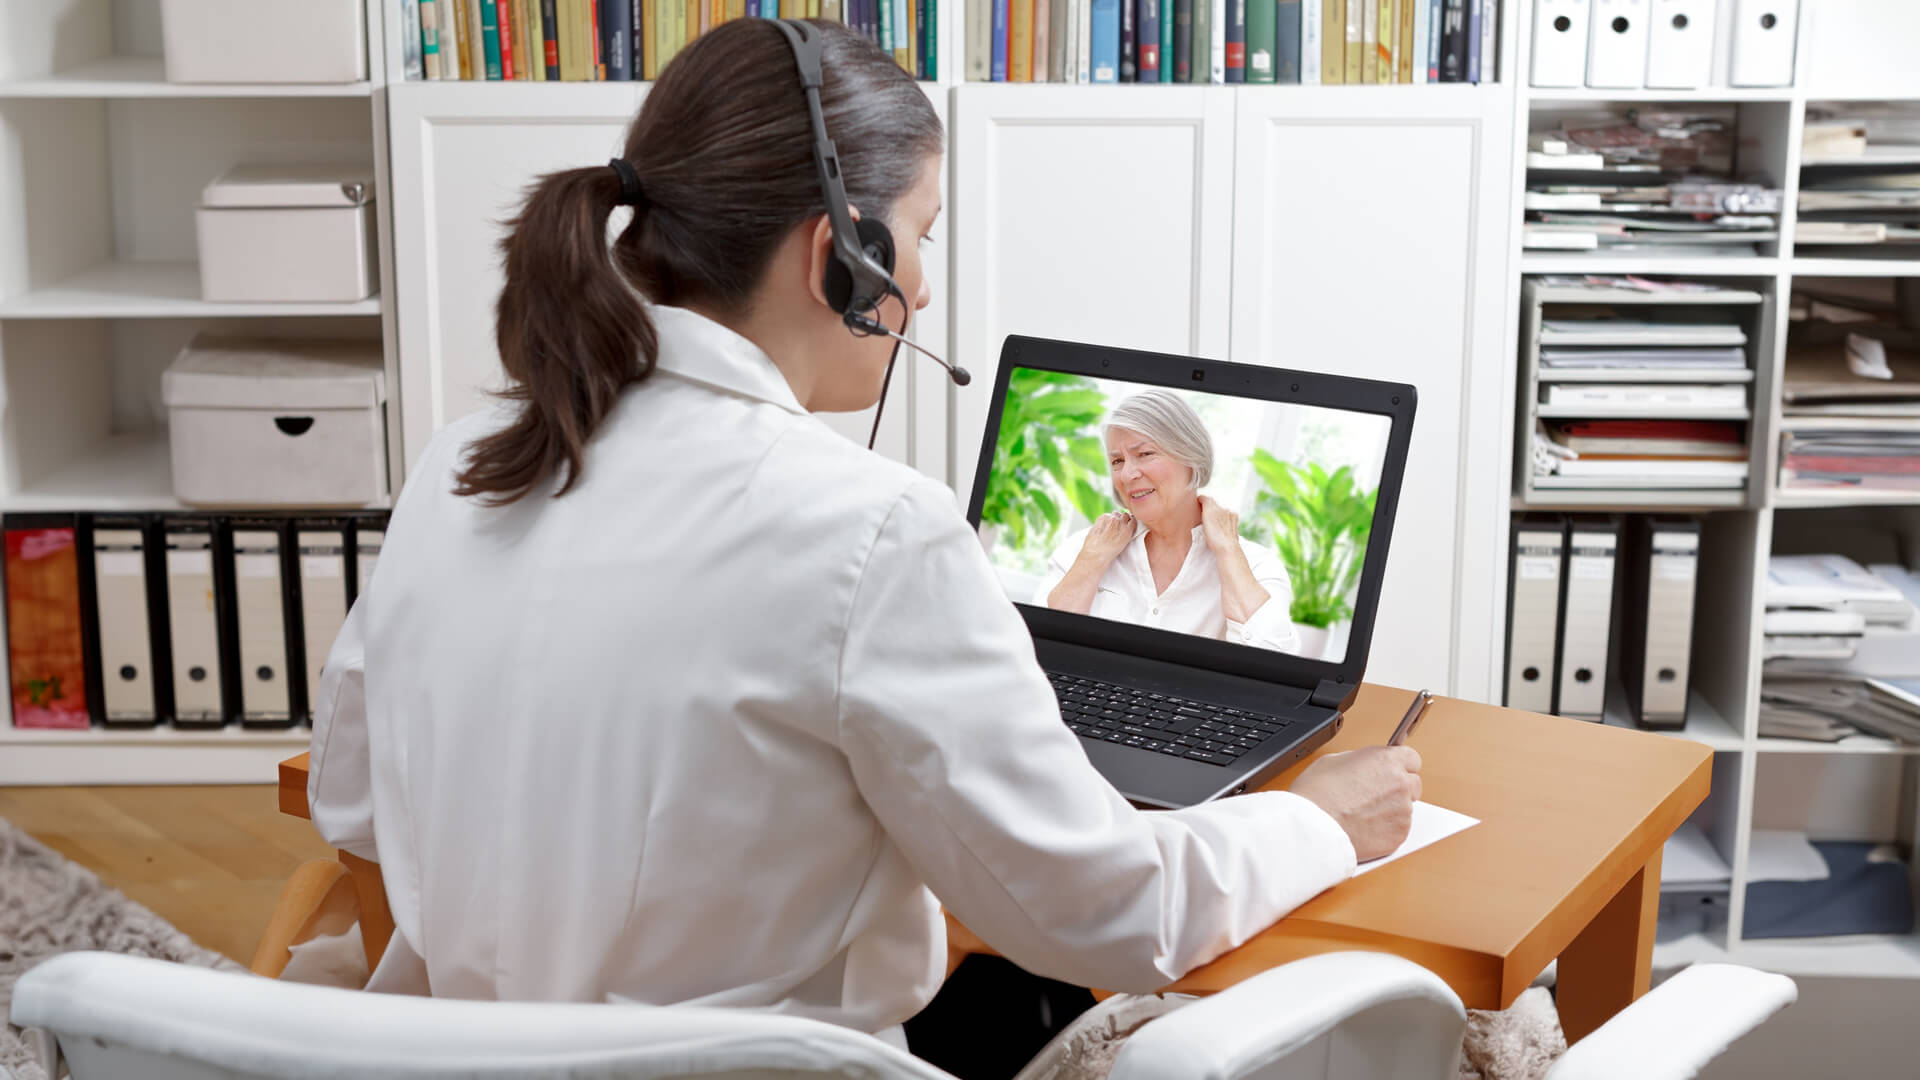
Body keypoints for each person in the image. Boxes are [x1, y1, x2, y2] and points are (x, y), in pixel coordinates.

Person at [306, 19, 1421, 1080]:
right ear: (835, 253)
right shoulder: (872, 529)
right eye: (921, 233)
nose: (923, 287)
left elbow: (350, 806)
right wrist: (1319, 820)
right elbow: (1112, 915)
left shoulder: (462, 467)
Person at [1038, 390, 1300, 653]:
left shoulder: (1256, 565)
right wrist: (1091, 561)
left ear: (1191, 457)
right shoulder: (1082, 549)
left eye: (1145, 454)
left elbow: (1272, 658)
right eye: (1117, 461)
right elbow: (1038, 653)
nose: (1127, 474)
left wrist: (1228, 551)